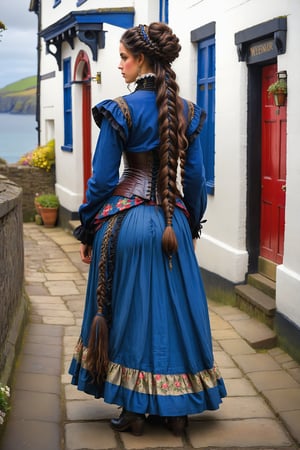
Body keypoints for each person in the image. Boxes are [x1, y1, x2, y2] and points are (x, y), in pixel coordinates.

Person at [69, 22, 226, 437]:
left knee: (131, 312)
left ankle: (134, 410)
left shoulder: (119, 109)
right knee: (176, 313)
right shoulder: (188, 111)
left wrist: (87, 224)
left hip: (125, 222)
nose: (119, 65)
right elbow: (193, 179)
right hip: (171, 221)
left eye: (123, 57)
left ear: (140, 60)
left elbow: (102, 181)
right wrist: (189, 222)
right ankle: (178, 411)